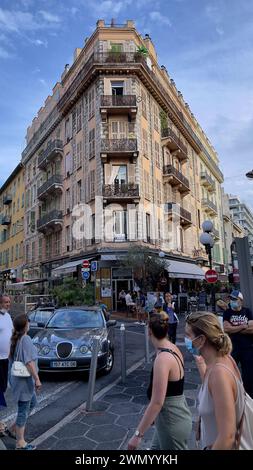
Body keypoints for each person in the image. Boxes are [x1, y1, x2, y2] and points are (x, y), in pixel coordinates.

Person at [128, 311, 192, 450]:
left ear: (149, 331)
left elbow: (157, 402)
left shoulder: (162, 358)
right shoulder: (172, 348)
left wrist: (137, 435)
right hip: (175, 415)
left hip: (171, 422)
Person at [185, 312, 245, 450]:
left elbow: (227, 437)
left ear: (201, 339)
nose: (185, 339)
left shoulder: (219, 374)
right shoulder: (223, 359)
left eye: (188, 335)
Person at [9, 314, 42, 450]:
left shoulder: (16, 339)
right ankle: (20, 443)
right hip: (23, 381)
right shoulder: (26, 338)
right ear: (26, 325)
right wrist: (37, 379)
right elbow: (28, 362)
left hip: (19, 381)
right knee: (23, 409)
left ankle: (13, 428)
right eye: (28, 322)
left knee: (33, 403)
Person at [223, 290, 253, 398]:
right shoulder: (227, 312)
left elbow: (252, 329)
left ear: (241, 301)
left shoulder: (247, 311)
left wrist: (233, 329)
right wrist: (242, 326)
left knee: (248, 373)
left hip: (247, 347)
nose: (232, 301)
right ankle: (233, 393)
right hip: (233, 347)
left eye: (234, 299)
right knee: (231, 370)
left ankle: (248, 395)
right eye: (231, 299)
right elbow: (226, 329)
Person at [0, 295, 13, 437]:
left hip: (6, 359)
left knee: (3, 388)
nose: (8, 304)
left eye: (9, 302)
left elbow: (11, 334)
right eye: (5, 302)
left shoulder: (8, 316)